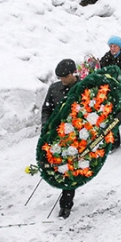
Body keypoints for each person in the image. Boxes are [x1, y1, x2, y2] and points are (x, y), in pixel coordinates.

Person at [41, 59, 79, 219]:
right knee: (58, 166)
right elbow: (46, 109)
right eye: (60, 77)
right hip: (57, 135)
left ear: (73, 74)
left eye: (65, 76)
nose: (62, 80)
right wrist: (46, 126)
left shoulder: (83, 89)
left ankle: (66, 203)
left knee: (71, 169)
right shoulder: (54, 89)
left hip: (77, 137)